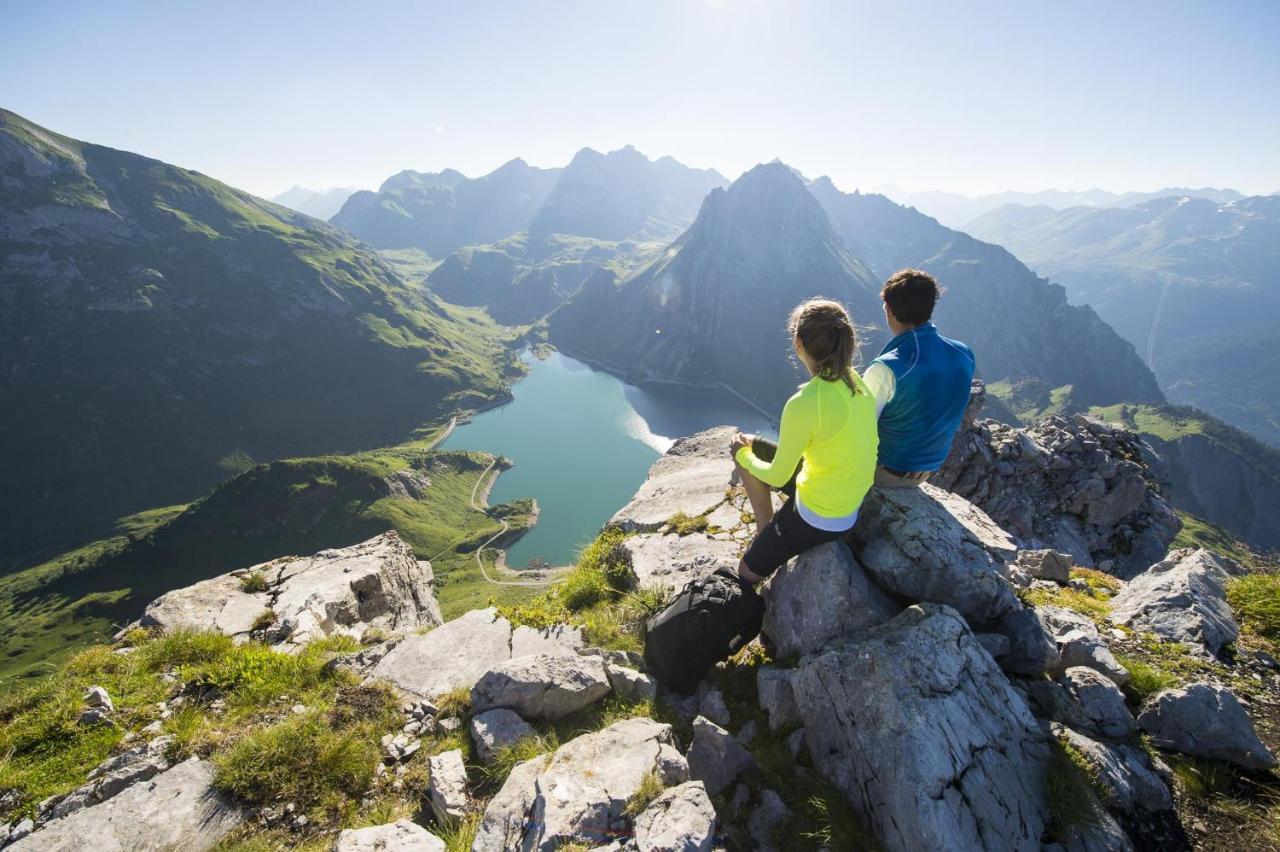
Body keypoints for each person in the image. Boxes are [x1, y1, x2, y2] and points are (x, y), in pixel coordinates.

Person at [730, 299, 878, 584]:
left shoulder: (805, 403)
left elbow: (778, 475)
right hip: (848, 502)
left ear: (798, 343)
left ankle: (769, 536)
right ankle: (767, 532)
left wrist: (742, 456)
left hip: (819, 517)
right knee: (750, 442)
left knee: (746, 572)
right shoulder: (857, 382)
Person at [861, 268, 975, 487]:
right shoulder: (964, 354)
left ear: (889, 310)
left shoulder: (888, 368)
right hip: (927, 470)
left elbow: (859, 428)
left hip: (884, 471)